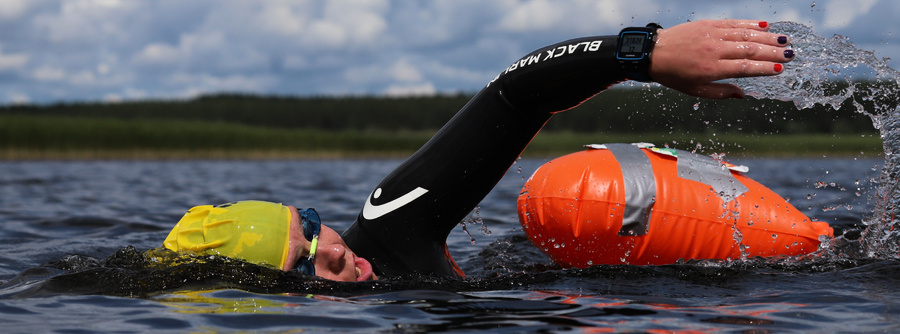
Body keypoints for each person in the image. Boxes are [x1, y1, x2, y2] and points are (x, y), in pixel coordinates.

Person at [163, 19, 798, 281]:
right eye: (306, 262)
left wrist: (645, 52)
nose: (334, 248)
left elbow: (514, 93)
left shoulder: (388, 228)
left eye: (309, 225)